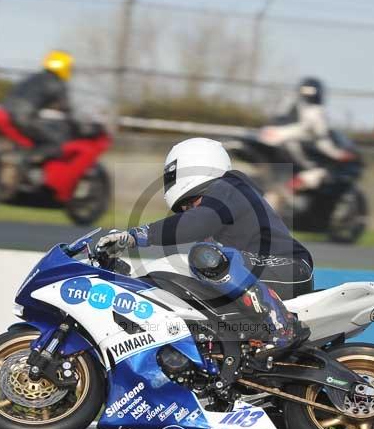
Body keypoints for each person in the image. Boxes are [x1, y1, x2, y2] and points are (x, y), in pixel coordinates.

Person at [96, 137, 314, 355]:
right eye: (185, 207)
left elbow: (197, 223)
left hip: (290, 268)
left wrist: (135, 236)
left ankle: (283, 326)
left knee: (204, 256)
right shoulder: (225, 201)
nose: (189, 210)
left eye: (192, 202)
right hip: (262, 273)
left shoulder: (230, 186)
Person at [260, 77, 360, 207]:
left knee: (280, 182)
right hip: (290, 148)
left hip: (270, 141)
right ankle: (289, 189)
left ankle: (276, 200)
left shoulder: (289, 104)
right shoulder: (316, 112)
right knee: (320, 172)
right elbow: (323, 142)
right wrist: (340, 155)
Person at [2, 50, 76, 179]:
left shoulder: (34, 77)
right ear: (65, 66)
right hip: (23, 118)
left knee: (33, 136)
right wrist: (76, 122)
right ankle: (29, 162)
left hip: (5, 113)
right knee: (58, 143)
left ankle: (21, 166)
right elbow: (66, 108)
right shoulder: (56, 83)